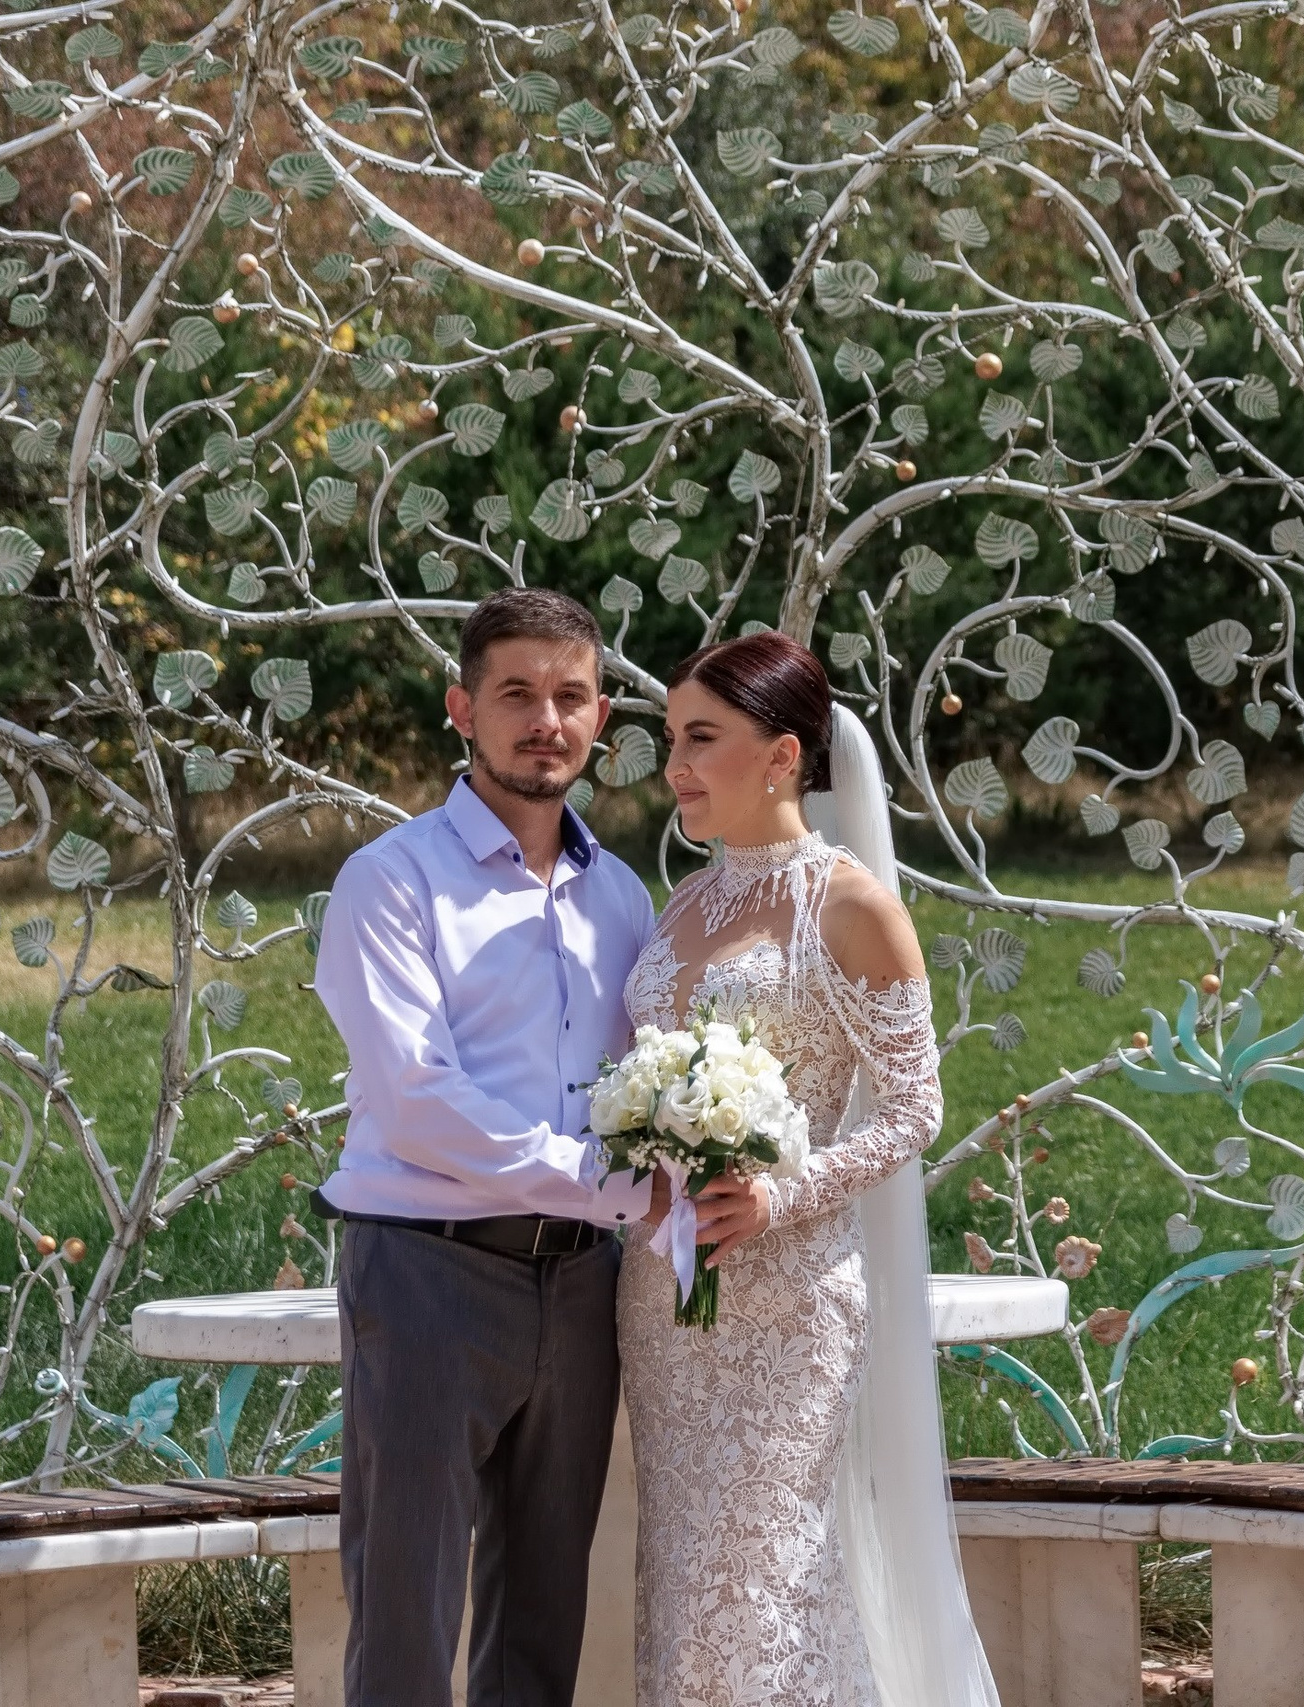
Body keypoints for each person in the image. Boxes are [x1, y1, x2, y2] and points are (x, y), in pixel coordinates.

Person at [618, 631, 1000, 1707]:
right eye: (668, 740)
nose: (676, 765)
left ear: (782, 755)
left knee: (770, 1578)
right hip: (662, 1291)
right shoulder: (682, 907)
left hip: (790, 1307)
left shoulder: (851, 904)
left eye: (702, 738)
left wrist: (778, 1193)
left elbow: (915, 1109)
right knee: (688, 1579)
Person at [312, 587, 655, 1707]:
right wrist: (606, 1186)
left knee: (542, 1611)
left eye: (568, 696)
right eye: (515, 694)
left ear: (599, 716)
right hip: (427, 1269)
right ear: (462, 708)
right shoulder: (392, 880)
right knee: (407, 1605)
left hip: (584, 1285)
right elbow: (415, 1099)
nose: (543, 720)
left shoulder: (625, 899)